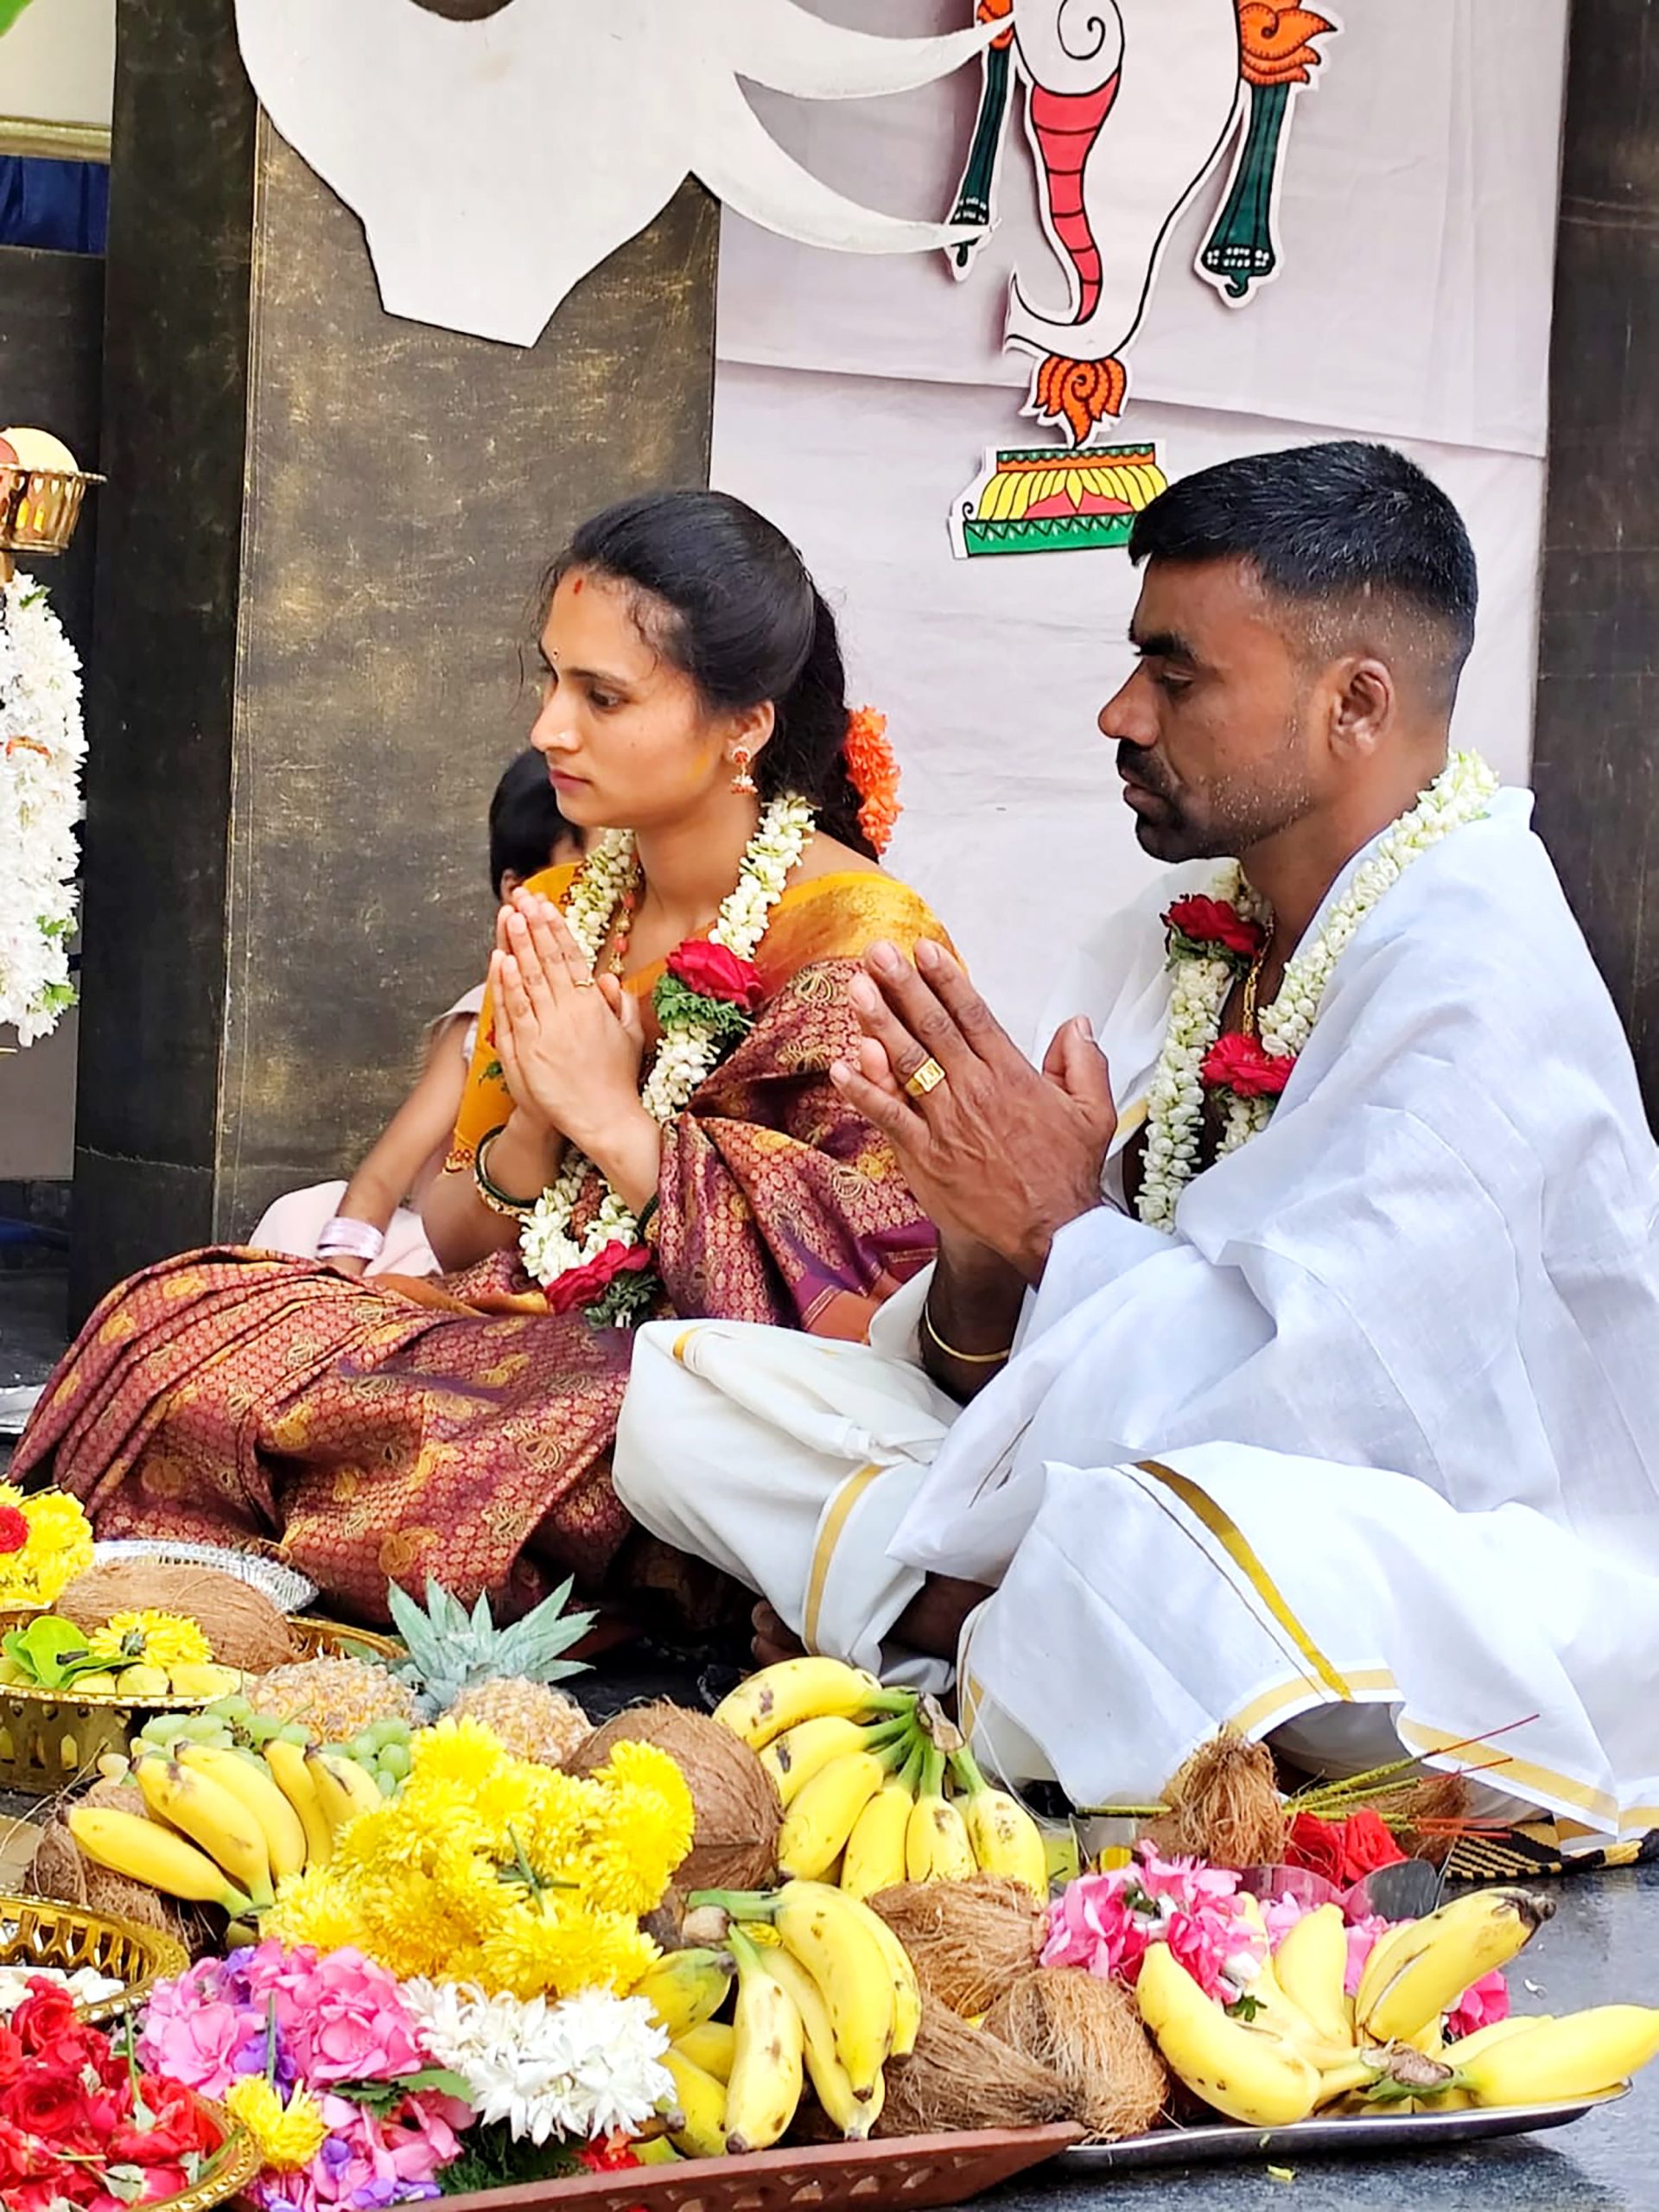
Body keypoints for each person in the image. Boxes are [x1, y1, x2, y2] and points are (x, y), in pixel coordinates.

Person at [613, 442, 1659, 1844]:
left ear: (1357, 704)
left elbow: (1356, 1417)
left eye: (1177, 677)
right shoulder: (1166, 943)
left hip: (1453, 1565)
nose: (1121, 712)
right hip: (1134, 1498)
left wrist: (1059, 1229)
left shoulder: (1474, 969)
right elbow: (1014, 1363)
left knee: (1156, 1540)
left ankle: (941, 1625)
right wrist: (985, 1258)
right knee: (695, 1388)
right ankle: (978, 1633)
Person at [16, 491, 947, 1628]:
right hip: (517, 1315)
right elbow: (463, 1233)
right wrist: (537, 1126)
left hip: (692, 1387)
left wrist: (618, 1125)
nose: (552, 727)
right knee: (170, 1316)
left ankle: (287, 1559)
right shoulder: (570, 904)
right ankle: (260, 1571)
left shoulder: (861, 944)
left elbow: (874, 1293)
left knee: (477, 1433)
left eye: (602, 697)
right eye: (553, 680)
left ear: (743, 725)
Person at [249, 749, 583, 1281]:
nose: (603, 901)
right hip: (446, 1262)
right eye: (577, 881)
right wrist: (337, 1290)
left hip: (562, 1279)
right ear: (516, 893)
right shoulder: (481, 1023)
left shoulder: (630, 1006)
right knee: (298, 1219)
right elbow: (382, 1180)